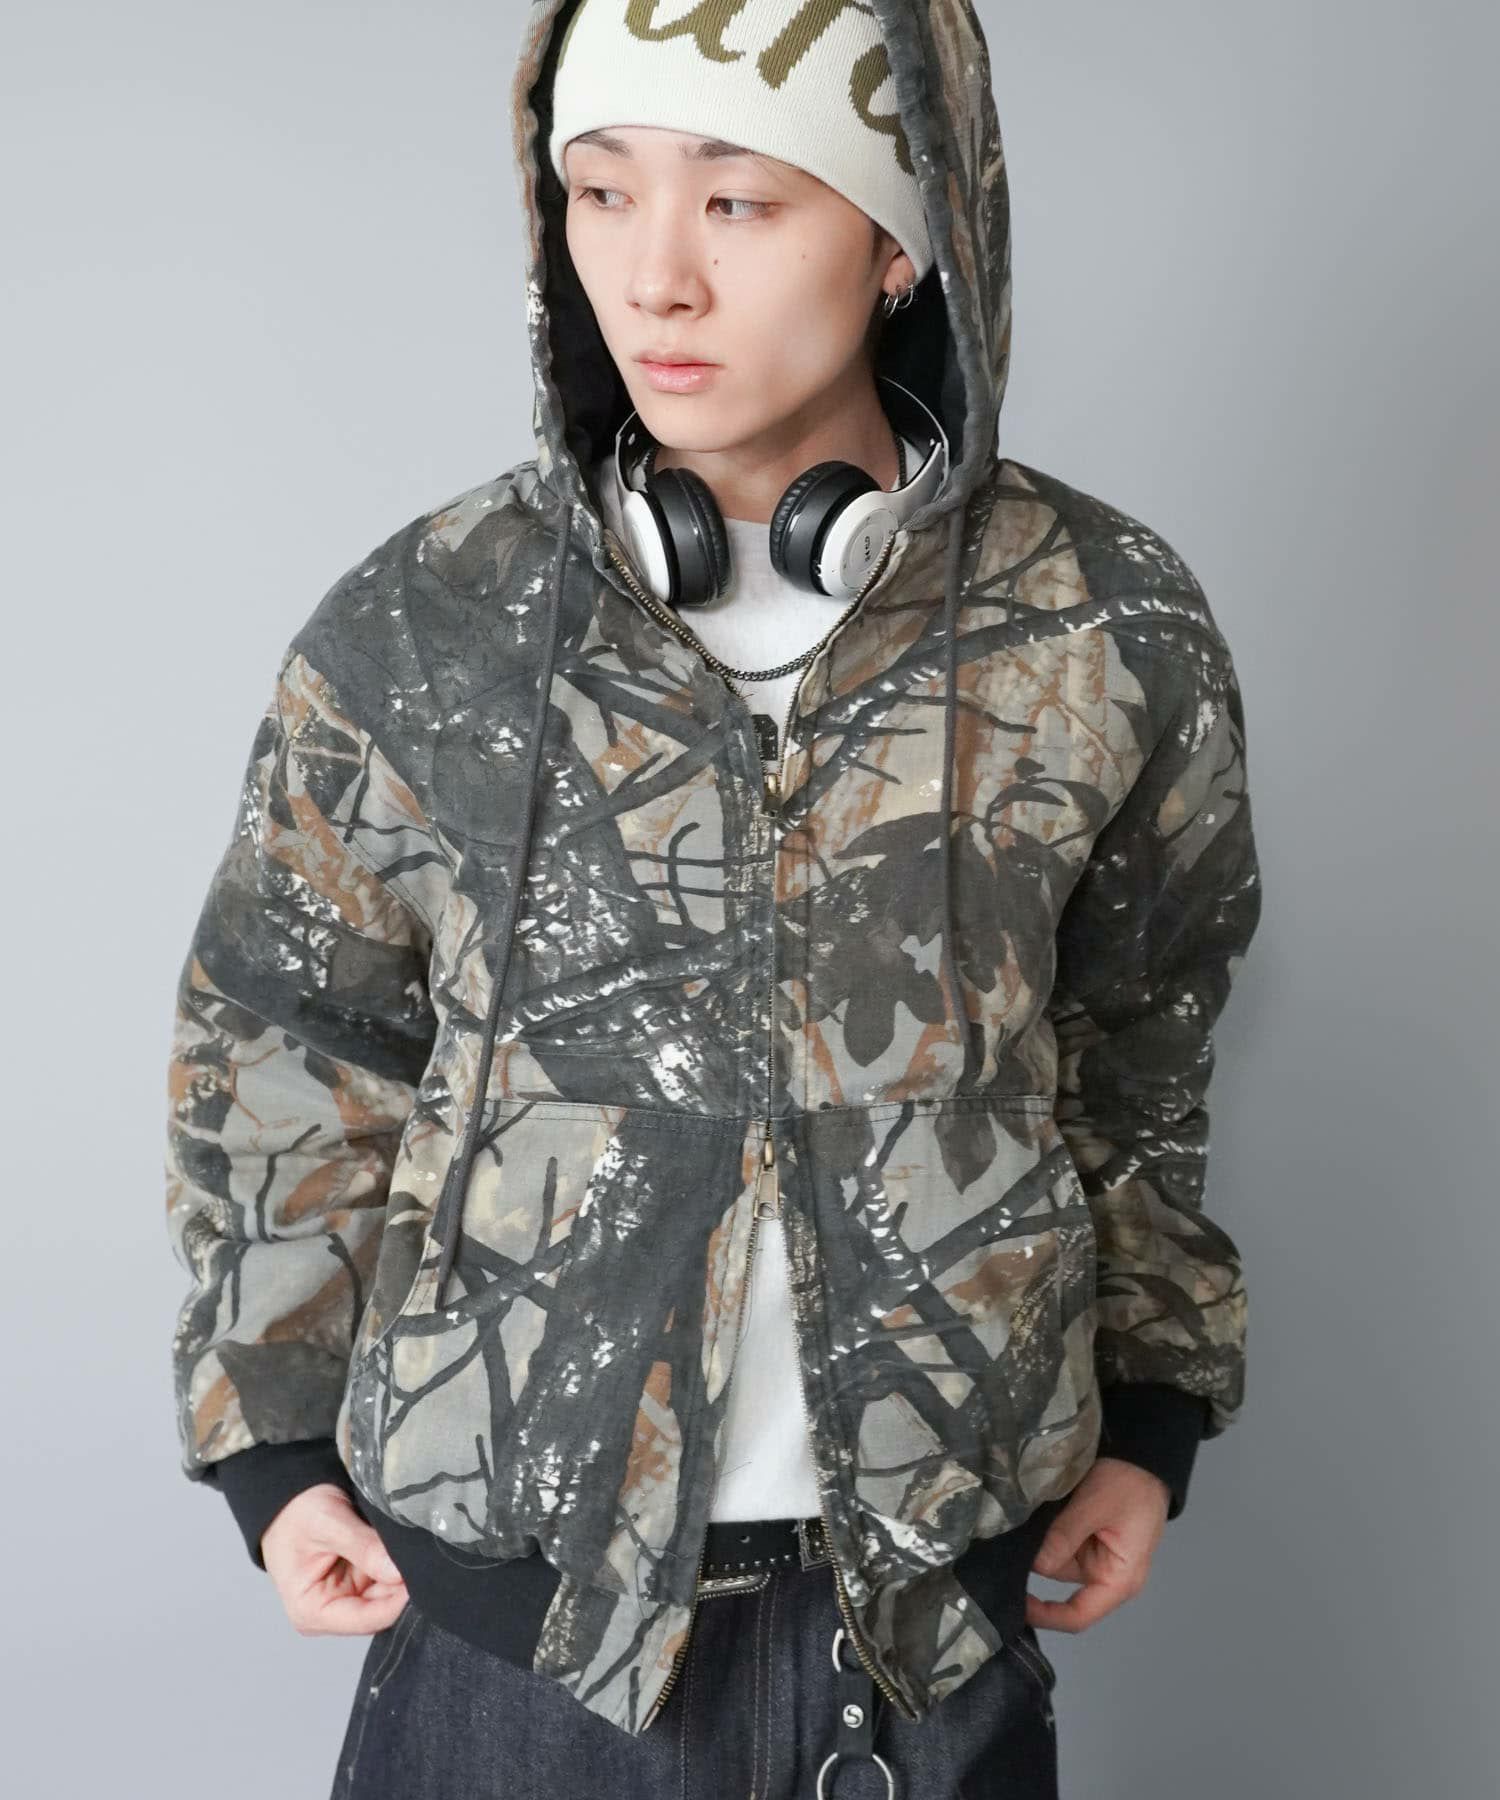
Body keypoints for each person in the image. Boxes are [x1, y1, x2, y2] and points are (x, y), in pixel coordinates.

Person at [163, 2, 1264, 1795]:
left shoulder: (1103, 623)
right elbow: (291, 1044)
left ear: (903, 238)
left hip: (930, 1630)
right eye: (600, 193)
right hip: (516, 1643)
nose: (651, 277)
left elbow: (1142, 1041)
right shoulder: (429, 623)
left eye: (739, 202)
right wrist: (275, 1458)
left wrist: (1149, 1419)